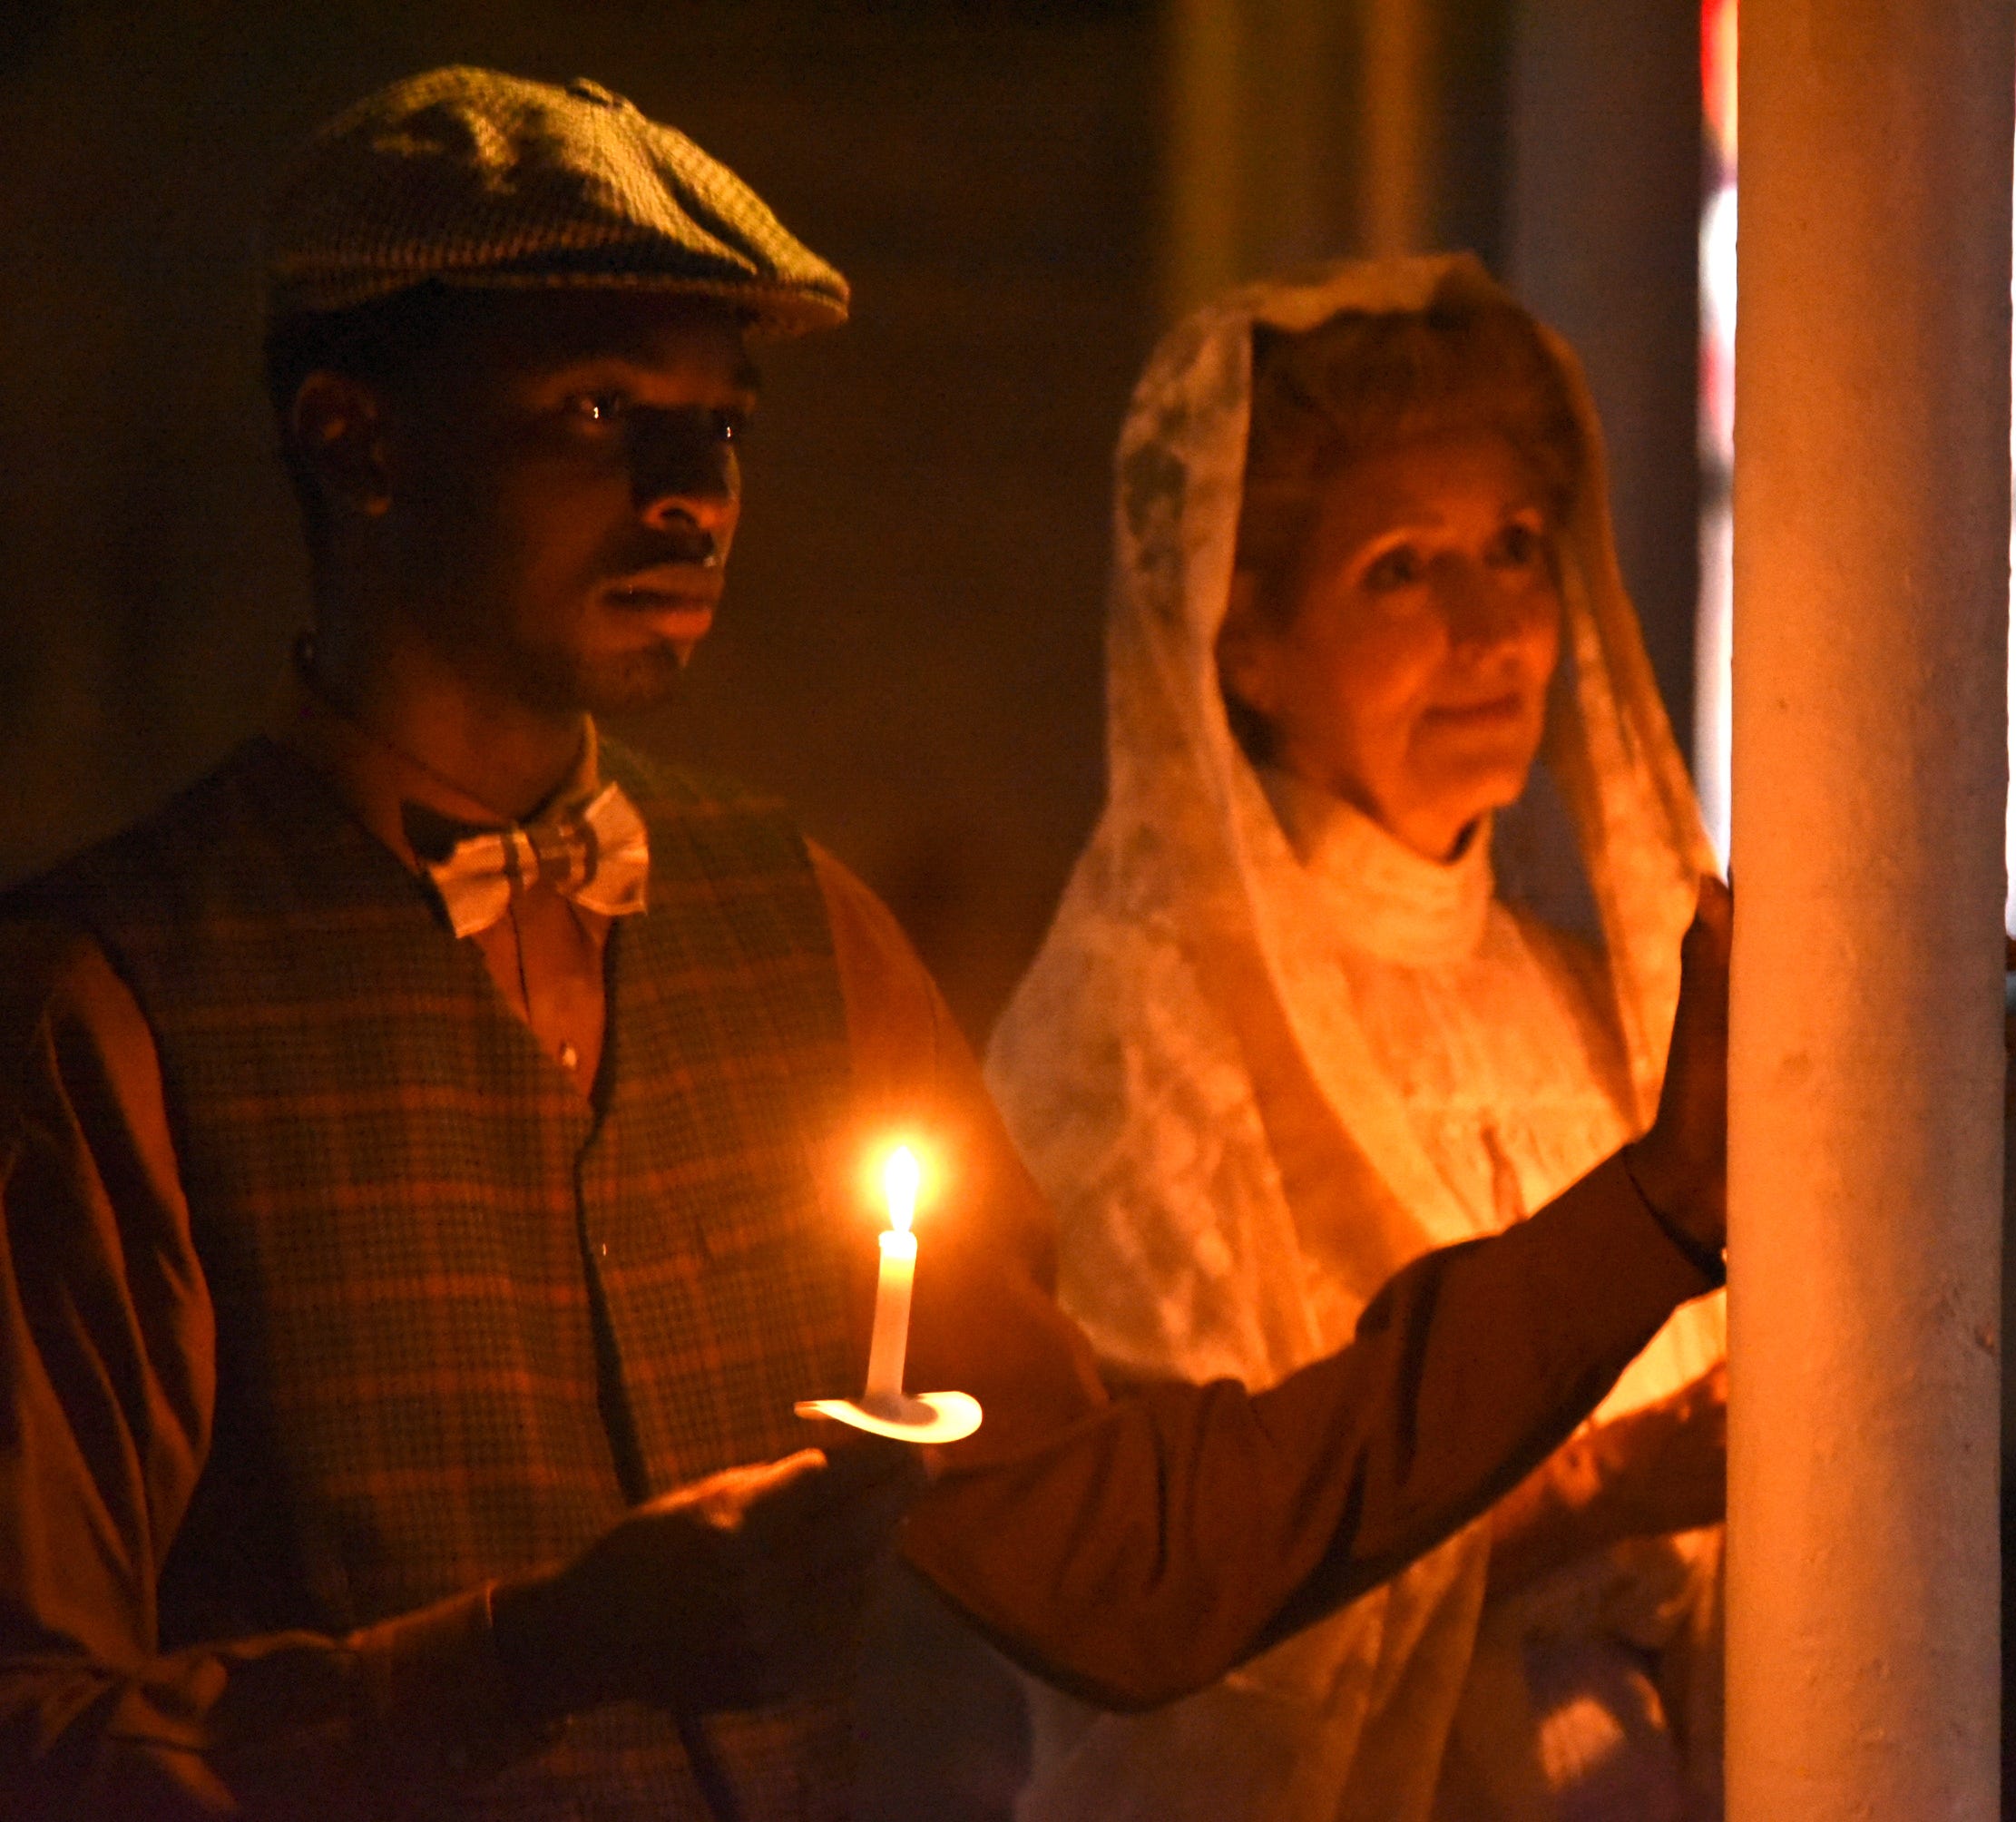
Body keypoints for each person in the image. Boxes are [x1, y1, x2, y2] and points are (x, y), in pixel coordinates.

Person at [0, 72, 1730, 1819]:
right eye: (600, 412)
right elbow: (34, 1736)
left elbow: (1127, 1559)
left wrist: (1656, 1211)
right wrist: (536, 1655)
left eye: (724, 425)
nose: (690, 495)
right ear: (354, 440)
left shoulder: (793, 929)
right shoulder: (115, 1003)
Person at [984, 257, 1727, 1822]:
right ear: (1242, 638)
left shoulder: (1594, 1007)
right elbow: (1182, 1597)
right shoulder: (1139, 1041)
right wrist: (1598, 1492)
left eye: (1517, 551)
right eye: (1402, 569)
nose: (1489, 629)